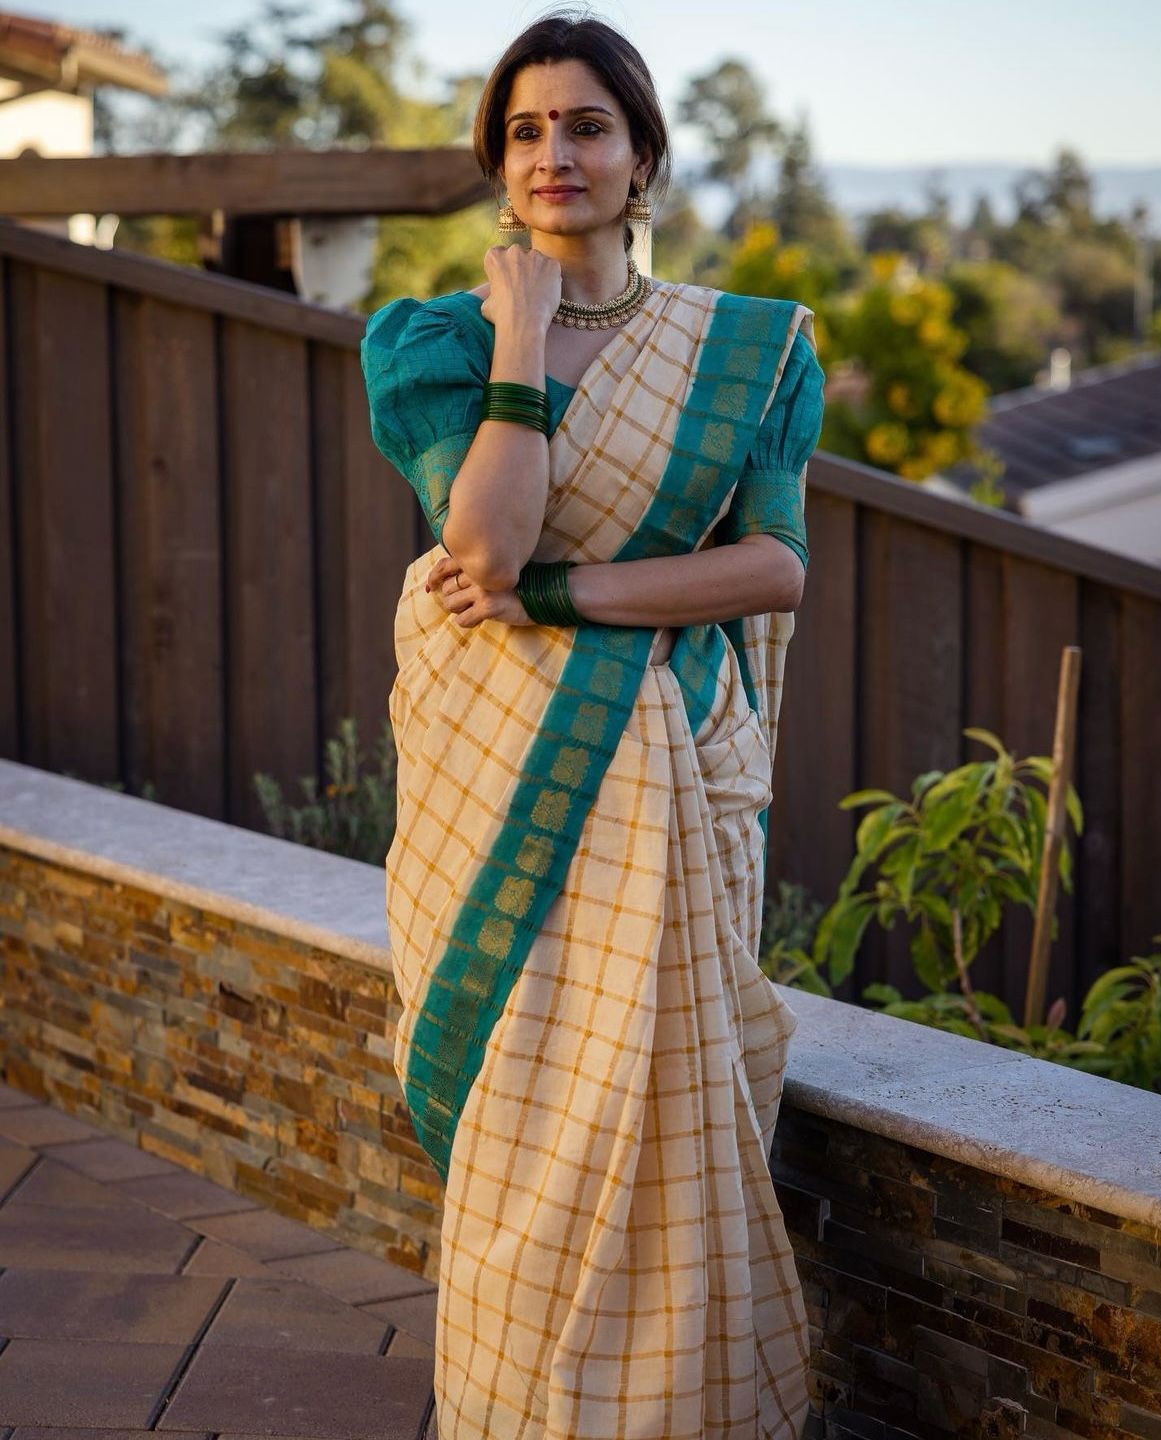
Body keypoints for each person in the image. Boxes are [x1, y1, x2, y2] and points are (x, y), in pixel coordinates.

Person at [360, 11, 824, 1438]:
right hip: (492, 758)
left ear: (641, 160)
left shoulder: (751, 348)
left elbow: (771, 563)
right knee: (518, 1107)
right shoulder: (431, 337)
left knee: (673, 1107)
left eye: (585, 126)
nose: (553, 152)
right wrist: (522, 335)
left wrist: (573, 593)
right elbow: (479, 549)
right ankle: (506, 1406)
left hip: (672, 769)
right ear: (497, 166)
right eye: (523, 129)